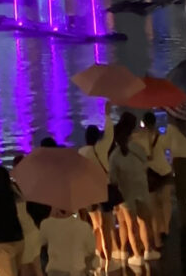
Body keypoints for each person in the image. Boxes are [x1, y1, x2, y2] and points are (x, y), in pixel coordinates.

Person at [108, 113, 159, 267]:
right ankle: (148, 251)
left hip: (125, 193)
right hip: (141, 188)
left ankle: (136, 255)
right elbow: (145, 165)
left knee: (131, 225)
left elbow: (113, 179)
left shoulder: (115, 156)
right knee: (144, 222)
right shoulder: (137, 148)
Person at [78, 124, 119, 266]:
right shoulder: (100, 149)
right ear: (97, 137)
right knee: (105, 227)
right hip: (103, 189)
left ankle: (97, 257)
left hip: (88, 192)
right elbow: (110, 134)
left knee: (95, 225)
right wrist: (107, 114)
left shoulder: (81, 152)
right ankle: (108, 261)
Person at [140, 112, 173, 244]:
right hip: (164, 171)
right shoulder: (161, 137)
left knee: (154, 207)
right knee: (166, 202)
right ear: (154, 123)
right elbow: (168, 148)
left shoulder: (140, 139)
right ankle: (166, 228)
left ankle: (157, 237)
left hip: (149, 175)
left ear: (143, 123)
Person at [164, 116, 186, 228]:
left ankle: (184, 220)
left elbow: (165, 145)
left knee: (181, 192)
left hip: (179, 161)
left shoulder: (171, 127)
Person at [38, 208, 95, 276]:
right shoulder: (84, 227)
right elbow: (91, 250)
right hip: (77, 270)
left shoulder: (47, 224)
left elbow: (40, 242)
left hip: (55, 271)